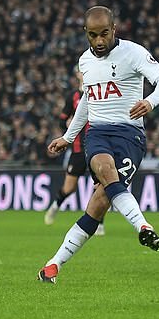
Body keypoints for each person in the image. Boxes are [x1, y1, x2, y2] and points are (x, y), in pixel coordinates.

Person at [39, 5, 159, 283]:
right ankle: (142, 226)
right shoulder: (85, 62)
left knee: (99, 203)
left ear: (114, 29)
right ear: (86, 34)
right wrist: (68, 137)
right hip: (98, 133)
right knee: (103, 167)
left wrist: (149, 101)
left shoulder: (134, 53)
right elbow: (88, 102)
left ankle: (52, 266)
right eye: (93, 36)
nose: (99, 41)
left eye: (104, 34)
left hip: (130, 136)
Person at [43, 71, 106, 236]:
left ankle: (99, 222)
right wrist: (67, 123)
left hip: (96, 147)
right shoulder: (73, 96)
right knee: (69, 188)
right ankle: (55, 207)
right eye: (82, 72)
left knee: (102, 185)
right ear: (78, 75)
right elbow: (62, 120)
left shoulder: (99, 93)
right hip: (78, 149)